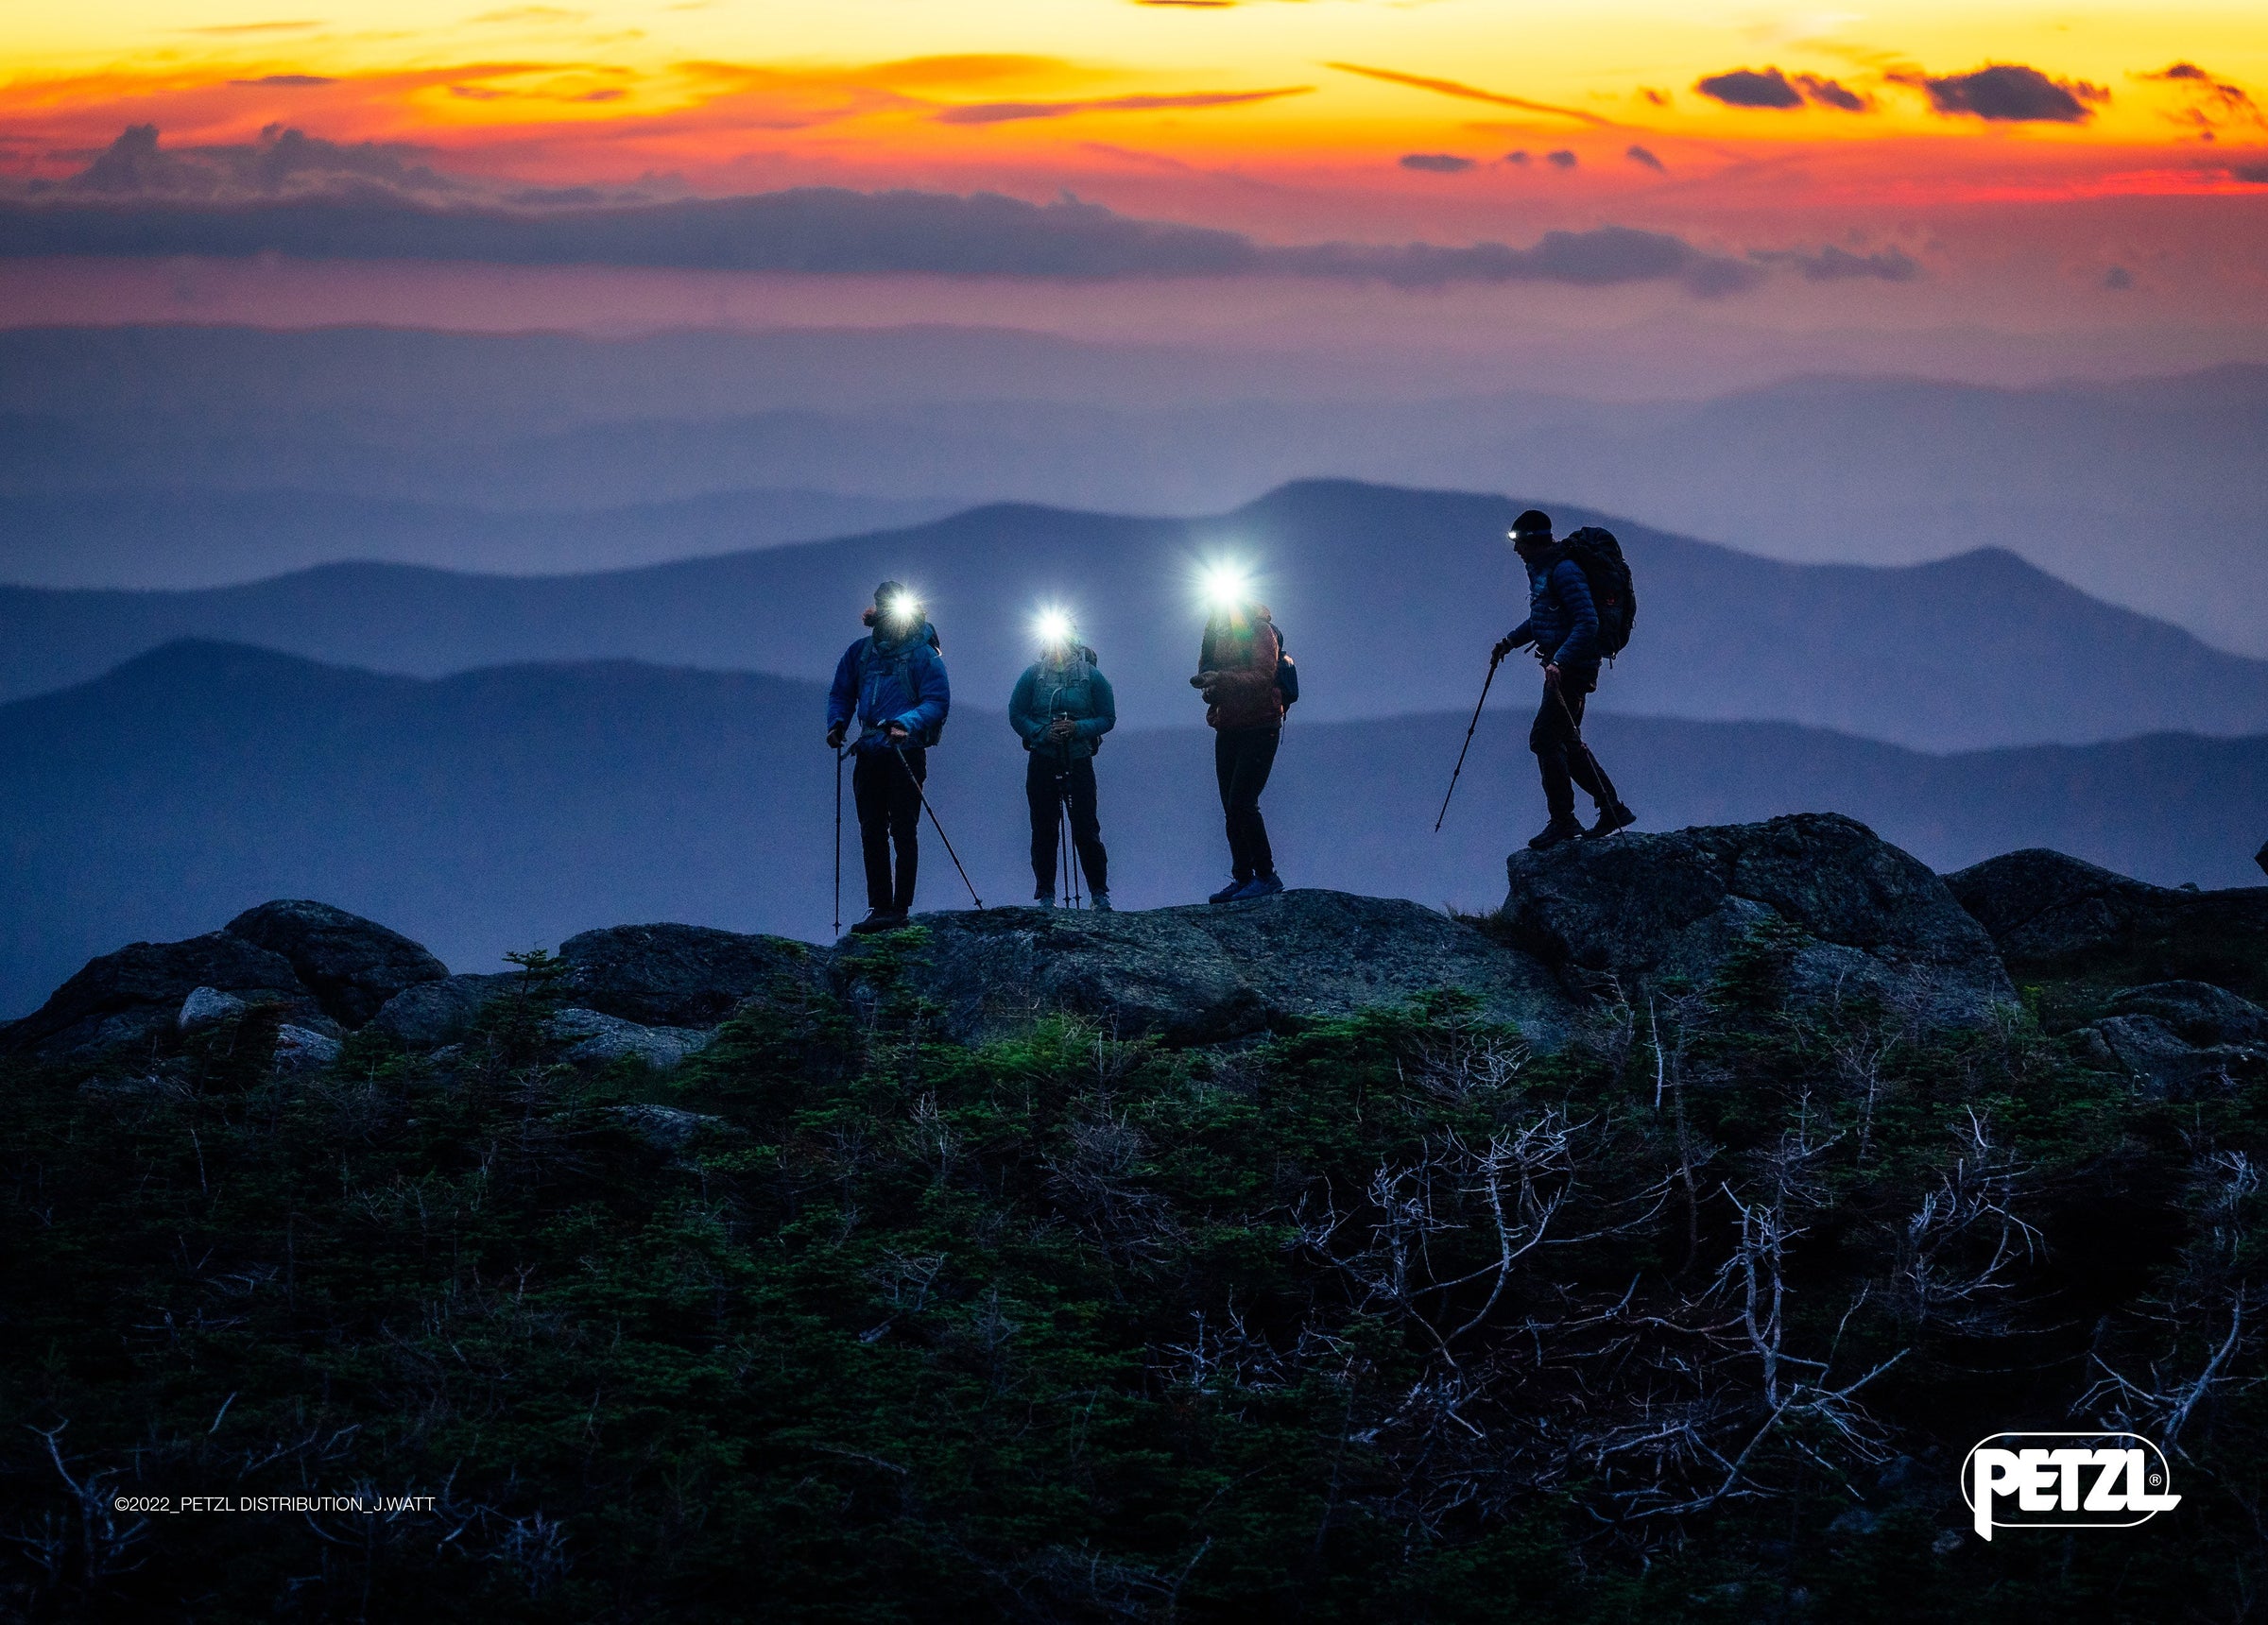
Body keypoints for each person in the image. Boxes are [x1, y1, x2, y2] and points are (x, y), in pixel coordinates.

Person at [1491, 509, 1636, 850]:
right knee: (1565, 742)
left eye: (1519, 543)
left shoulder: (1565, 571)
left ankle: (1564, 820)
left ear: (1534, 541)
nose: (1516, 551)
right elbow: (1544, 618)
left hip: (1572, 668)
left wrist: (1559, 661)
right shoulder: (1543, 570)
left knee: (1544, 739)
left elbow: (1588, 622)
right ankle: (1612, 809)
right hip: (1563, 666)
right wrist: (1510, 642)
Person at [826, 581, 951, 933]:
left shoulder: (923, 654)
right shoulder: (861, 653)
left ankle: (897, 908)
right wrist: (837, 724)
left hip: (904, 752)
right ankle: (882, 906)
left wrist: (905, 724)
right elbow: (842, 693)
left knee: (901, 829)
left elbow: (937, 701)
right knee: (873, 830)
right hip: (871, 751)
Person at [1009, 620, 1116, 910]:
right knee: (1044, 827)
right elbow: (1016, 714)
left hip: (1076, 758)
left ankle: (1098, 892)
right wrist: (1044, 732)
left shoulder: (1091, 676)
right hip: (1046, 759)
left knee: (1084, 827)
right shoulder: (1033, 676)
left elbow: (1108, 718)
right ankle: (1047, 893)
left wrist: (1076, 729)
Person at [1193, 593, 1286, 901]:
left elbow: (1263, 676)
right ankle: (1244, 877)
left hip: (1261, 725)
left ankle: (1266, 875)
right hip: (1228, 725)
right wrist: (1210, 688)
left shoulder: (1260, 630)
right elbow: (1208, 672)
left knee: (1242, 802)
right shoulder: (1214, 632)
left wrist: (1221, 678)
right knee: (1230, 807)